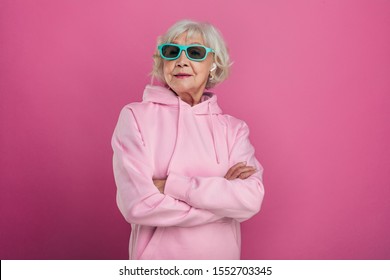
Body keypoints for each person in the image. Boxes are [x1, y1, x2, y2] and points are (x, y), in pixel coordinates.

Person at [111, 19, 265, 260]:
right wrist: (222, 205)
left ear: (213, 63)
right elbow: (137, 205)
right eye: (172, 52)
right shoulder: (135, 117)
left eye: (195, 52)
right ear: (162, 63)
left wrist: (172, 185)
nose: (181, 60)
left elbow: (250, 199)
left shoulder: (234, 129)